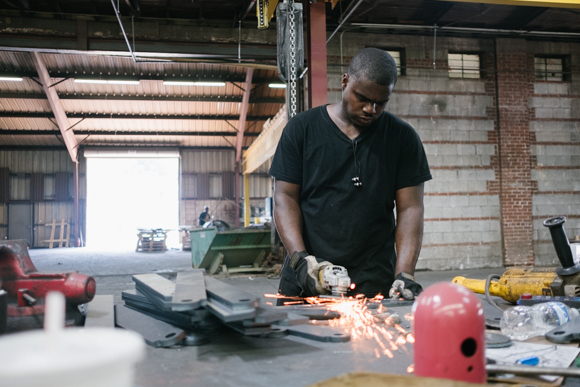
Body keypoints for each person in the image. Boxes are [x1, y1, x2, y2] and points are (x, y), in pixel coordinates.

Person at [268, 48, 432, 304]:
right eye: (362, 97)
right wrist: (301, 260)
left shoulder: (403, 138)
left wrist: (405, 273)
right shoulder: (302, 129)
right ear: (345, 81)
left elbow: (411, 208)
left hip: (373, 281)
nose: (371, 109)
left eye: (381, 102)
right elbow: (284, 197)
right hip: (308, 279)